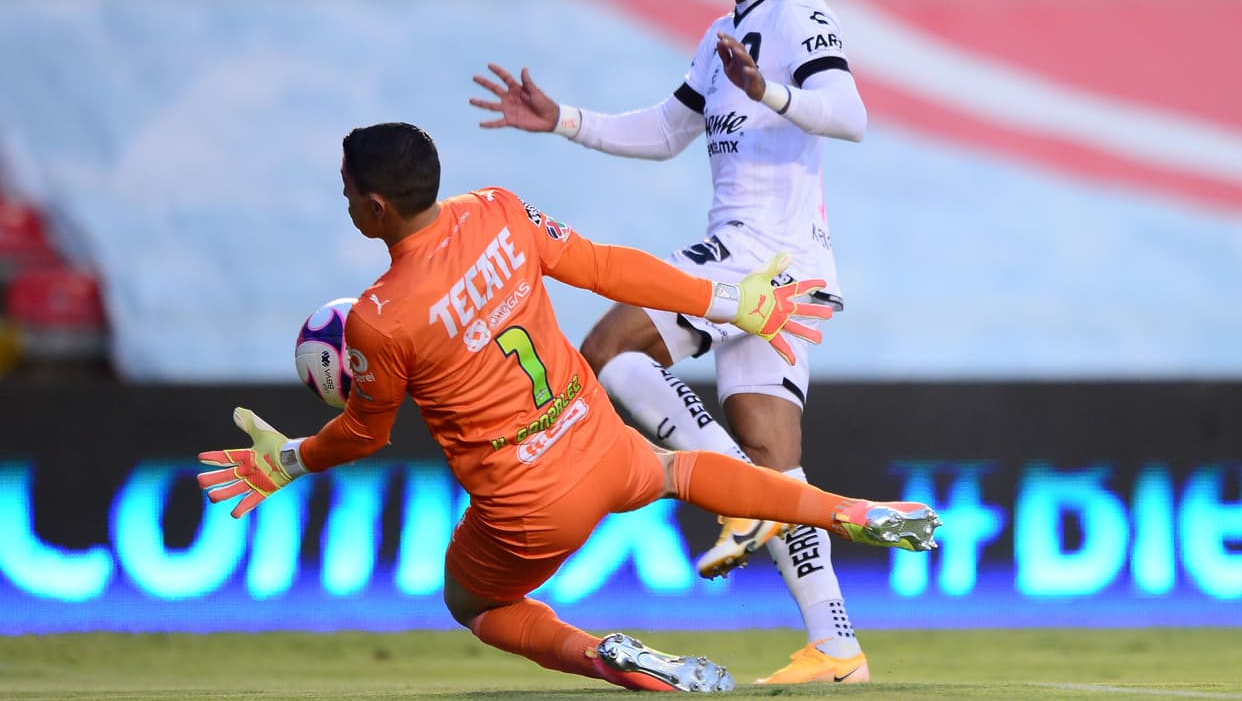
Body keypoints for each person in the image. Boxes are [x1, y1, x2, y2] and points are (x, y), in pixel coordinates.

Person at [197, 122, 940, 693]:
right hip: (598, 442)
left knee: (473, 603)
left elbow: (366, 432)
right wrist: (730, 304)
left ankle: (607, 658)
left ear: (375, 205)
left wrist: (290, 460)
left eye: (347, 191)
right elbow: (604, 266)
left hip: (528, 505)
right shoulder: (497, 210)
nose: (347, 201)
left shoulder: (380, 320)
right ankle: (847, 510)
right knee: (677, 469)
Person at [471, 0, 874, 685]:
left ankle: (729, 498)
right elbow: (665, 130)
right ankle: (836, 645)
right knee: (773, 459)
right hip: (772, 262)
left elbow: (852, 113)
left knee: (612, 343)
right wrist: (565, 122)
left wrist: (773, 92)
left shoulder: (799, 13)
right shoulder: (723, 31)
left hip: (762, 256)